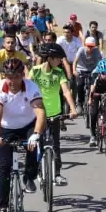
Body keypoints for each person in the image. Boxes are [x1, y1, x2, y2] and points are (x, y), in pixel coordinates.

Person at [0, 58, 46, 212]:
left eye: (15, 77)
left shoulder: (31, 87)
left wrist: (36, 134)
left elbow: (40, 113)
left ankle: (30, 176)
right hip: (6, 128)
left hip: (27, 124)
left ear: (22, 75)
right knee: (2, 168)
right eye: (8, 76)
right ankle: (2, 210)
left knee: (34, 143)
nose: (12, 81)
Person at [30, 43, 77, 185]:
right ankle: (36, 170)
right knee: (37, 142)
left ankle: (57, 174)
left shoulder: (59, 73)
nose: (60, 61)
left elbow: (66, 92)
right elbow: (26, 90)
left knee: (55, 144)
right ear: (49, 58)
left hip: (55, 114)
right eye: (58, 58)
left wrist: (73, 109)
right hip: (38, 114)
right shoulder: (35, 71)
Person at [87, 58, 106, 147]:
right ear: (100, 72)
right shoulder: (95, 76)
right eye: (103, 73)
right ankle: (93, 136)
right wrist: (90, 99)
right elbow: (92, 89)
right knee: (93, 113)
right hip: (96, 93)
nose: (105, 75)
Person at [72, 35, 101, 113]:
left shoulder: (96, 51)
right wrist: (74, 71)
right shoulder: (81, 50)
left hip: (92, 70)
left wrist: (98, 71)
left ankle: (93, 101)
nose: (90, 48)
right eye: (88, 46)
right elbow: (75, 61)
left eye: (92, 46)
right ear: (85, 45)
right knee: (80, 84)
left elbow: (99, 62)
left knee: (94, 84)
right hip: (81, 69)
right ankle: (79, 104)